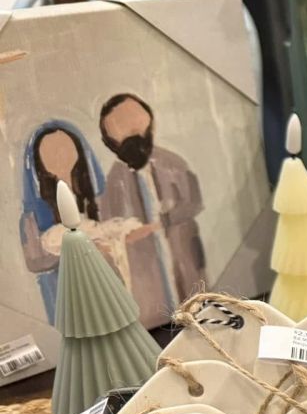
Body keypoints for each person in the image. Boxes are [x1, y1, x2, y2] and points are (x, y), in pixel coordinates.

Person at [19, 121, 170, 325]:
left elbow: (110, 229)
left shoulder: (94, 196)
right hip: (72, 289)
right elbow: (35, 260)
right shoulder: (32, 216)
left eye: (65, 148)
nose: (60, 157)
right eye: (51, 152)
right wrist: (79, 250)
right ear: (39, 160)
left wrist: (135, 232)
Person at [97, 92, 206, 305]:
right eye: (121, 126)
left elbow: (194, 202)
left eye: (136, 124)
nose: (131, 132)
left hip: (185, 255)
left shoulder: (174, 163)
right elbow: (109, 225)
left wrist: (160, 223)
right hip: (146, 275)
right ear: (110, 141)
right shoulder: (113, 181)